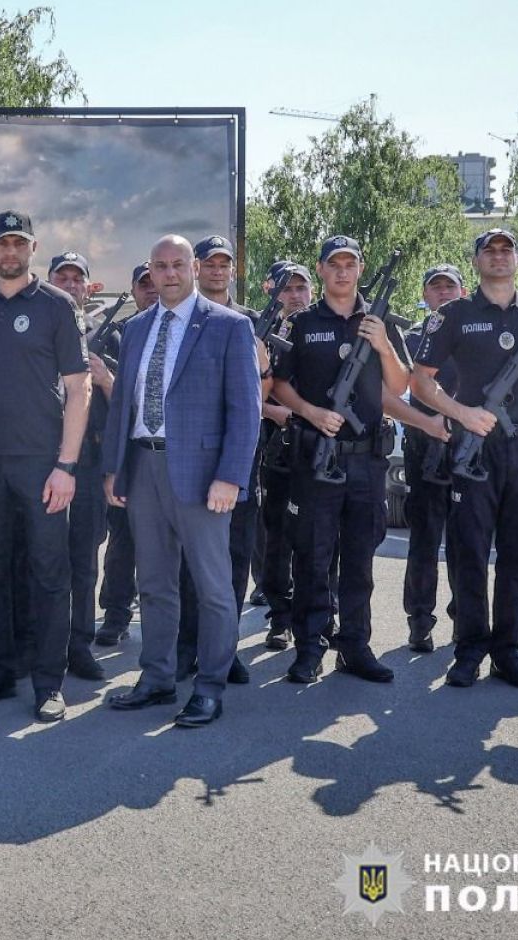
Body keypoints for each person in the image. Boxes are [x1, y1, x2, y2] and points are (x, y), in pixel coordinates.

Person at [100, 235, 262, 728]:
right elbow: (122, 405)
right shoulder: (136, 328)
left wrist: (230, 476)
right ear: (150, 271)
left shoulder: (230, 326)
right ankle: (157, 677)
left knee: (213, 588)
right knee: (153, 583)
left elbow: (246, 410)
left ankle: (209, 687)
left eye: (177, 264)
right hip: (144, 468)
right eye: (160, 266)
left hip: (203, 476)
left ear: (193, 267)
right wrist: (114, 468)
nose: (168, 274)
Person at [410, 228, 518, 689]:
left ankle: (508, 651)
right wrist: (461, 413)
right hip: (475, 448)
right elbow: (420, 381)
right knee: (469, 553)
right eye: (490, 250)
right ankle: (468, 650)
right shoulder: (454, 315)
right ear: (476, 260)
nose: (499, 257)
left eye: (507, 250)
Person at [0, 210, 90, 723]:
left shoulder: (56, 306)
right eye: (1, 243)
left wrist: (66, 465)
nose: (10, 252)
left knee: (49, 572)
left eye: (19, 243)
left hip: (42, 465)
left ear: (32, 248)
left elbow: (79, 388)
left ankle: (48, 683)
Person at [269, 236, 410, 685]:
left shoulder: (379, 322)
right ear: (321, 270)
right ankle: (310, 647)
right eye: (335, 264)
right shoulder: (303, 323)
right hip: (316, 457)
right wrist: (311, 412)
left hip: (367, 460)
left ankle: (355, 646)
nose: (343, 271)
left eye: (350, 264)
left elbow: (400, 385)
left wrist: (383, 344)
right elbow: (278, 384)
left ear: (360, 269)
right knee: (312, 556)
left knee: (359, 559)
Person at [173, 234, 268, 686]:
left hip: (235, 461)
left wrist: (263, 366)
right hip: (189, 460)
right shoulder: (178, 318)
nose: (216, 270)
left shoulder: (249, 321)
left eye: (223, 264)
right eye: (209, 263)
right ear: (196, 267)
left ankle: (224, 651)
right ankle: (186, 646)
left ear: (233, 270)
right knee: (188, 562)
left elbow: (258, 396)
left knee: (233, 558)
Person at [388, 263, 466, 652]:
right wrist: (429, 424)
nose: (443, 293)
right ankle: (419, 621)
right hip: (424, 449)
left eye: (450, 287)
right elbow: (399, 391)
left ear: (462, 292)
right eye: (436, 287)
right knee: (424, 540)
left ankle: (463, 619)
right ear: (425, 294)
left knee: (465, 542)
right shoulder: (412, 338)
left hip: (468, 448)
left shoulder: (475, 332)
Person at [45, 250, 111, 683]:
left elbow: (132, 406)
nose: (70, 284)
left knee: (84, 561)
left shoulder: (111, 336)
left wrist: (104, 379)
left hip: (87, 463)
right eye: (62, 277)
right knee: (39, 560)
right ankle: (38, 643)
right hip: (40, 461)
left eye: (77, 278)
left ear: (88, 287)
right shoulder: (36, 326)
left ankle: (80, 645)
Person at [95, 260, 160, 645]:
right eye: (144, 284)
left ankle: (165, 625)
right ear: (134, 291)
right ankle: (116, 614)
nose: (151, 289)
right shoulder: (119, 335)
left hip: (166, 452)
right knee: (123, 539)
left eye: (155, 282)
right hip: (128, 450)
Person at [252, 261, 313, 649]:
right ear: (271, 291)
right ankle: (280, 616)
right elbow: (241, 391)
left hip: (317, 442)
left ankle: (318, 613)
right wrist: (274, 412)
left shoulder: (322, 326)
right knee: (276, 535)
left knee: (319, 536)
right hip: (276, 444)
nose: (295, 296)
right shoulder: (257, 331)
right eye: (286, 289)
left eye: (300, 288)